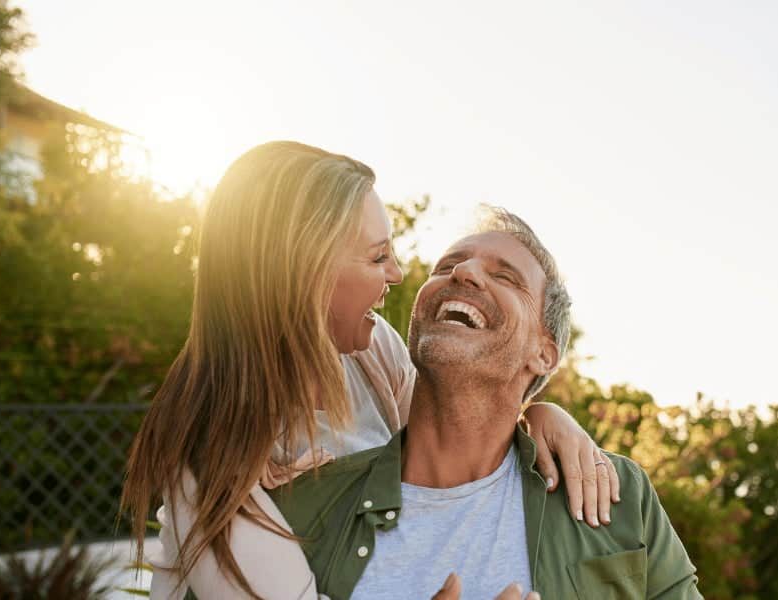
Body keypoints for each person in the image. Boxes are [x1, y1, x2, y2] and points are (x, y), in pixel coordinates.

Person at [120, 142, 620, 600]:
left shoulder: (370, 349)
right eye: (378, 256)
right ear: (304, 270)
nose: (399, 275)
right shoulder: (208, 457)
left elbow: (449, 435)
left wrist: (537, 415)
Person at [268, 207, 702, 599]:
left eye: (506, 277)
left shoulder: (617, 494)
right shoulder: (303, 508)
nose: (464, 273)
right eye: (448, 266)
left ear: (543, 353)